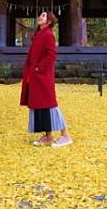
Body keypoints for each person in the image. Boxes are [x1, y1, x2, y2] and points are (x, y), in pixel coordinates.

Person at [20, 10, 73, 147]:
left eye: (43, 16)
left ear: (49, 21)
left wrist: (39, 68)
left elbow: (51, 55)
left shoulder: (48, 35)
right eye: (40, 15)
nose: (40, 17)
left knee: (50, 104)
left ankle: (65, 135)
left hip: (42, 76)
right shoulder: (38, 34)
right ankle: (48, 136)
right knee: (40, 105)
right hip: (35, 76)